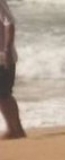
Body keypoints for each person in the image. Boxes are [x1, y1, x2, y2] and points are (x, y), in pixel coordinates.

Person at [1, 0, 25, 139]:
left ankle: (16, 130)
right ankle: (14, 129)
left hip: (3, 57)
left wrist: (7, 49)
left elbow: (9, 22)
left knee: (4, 94)